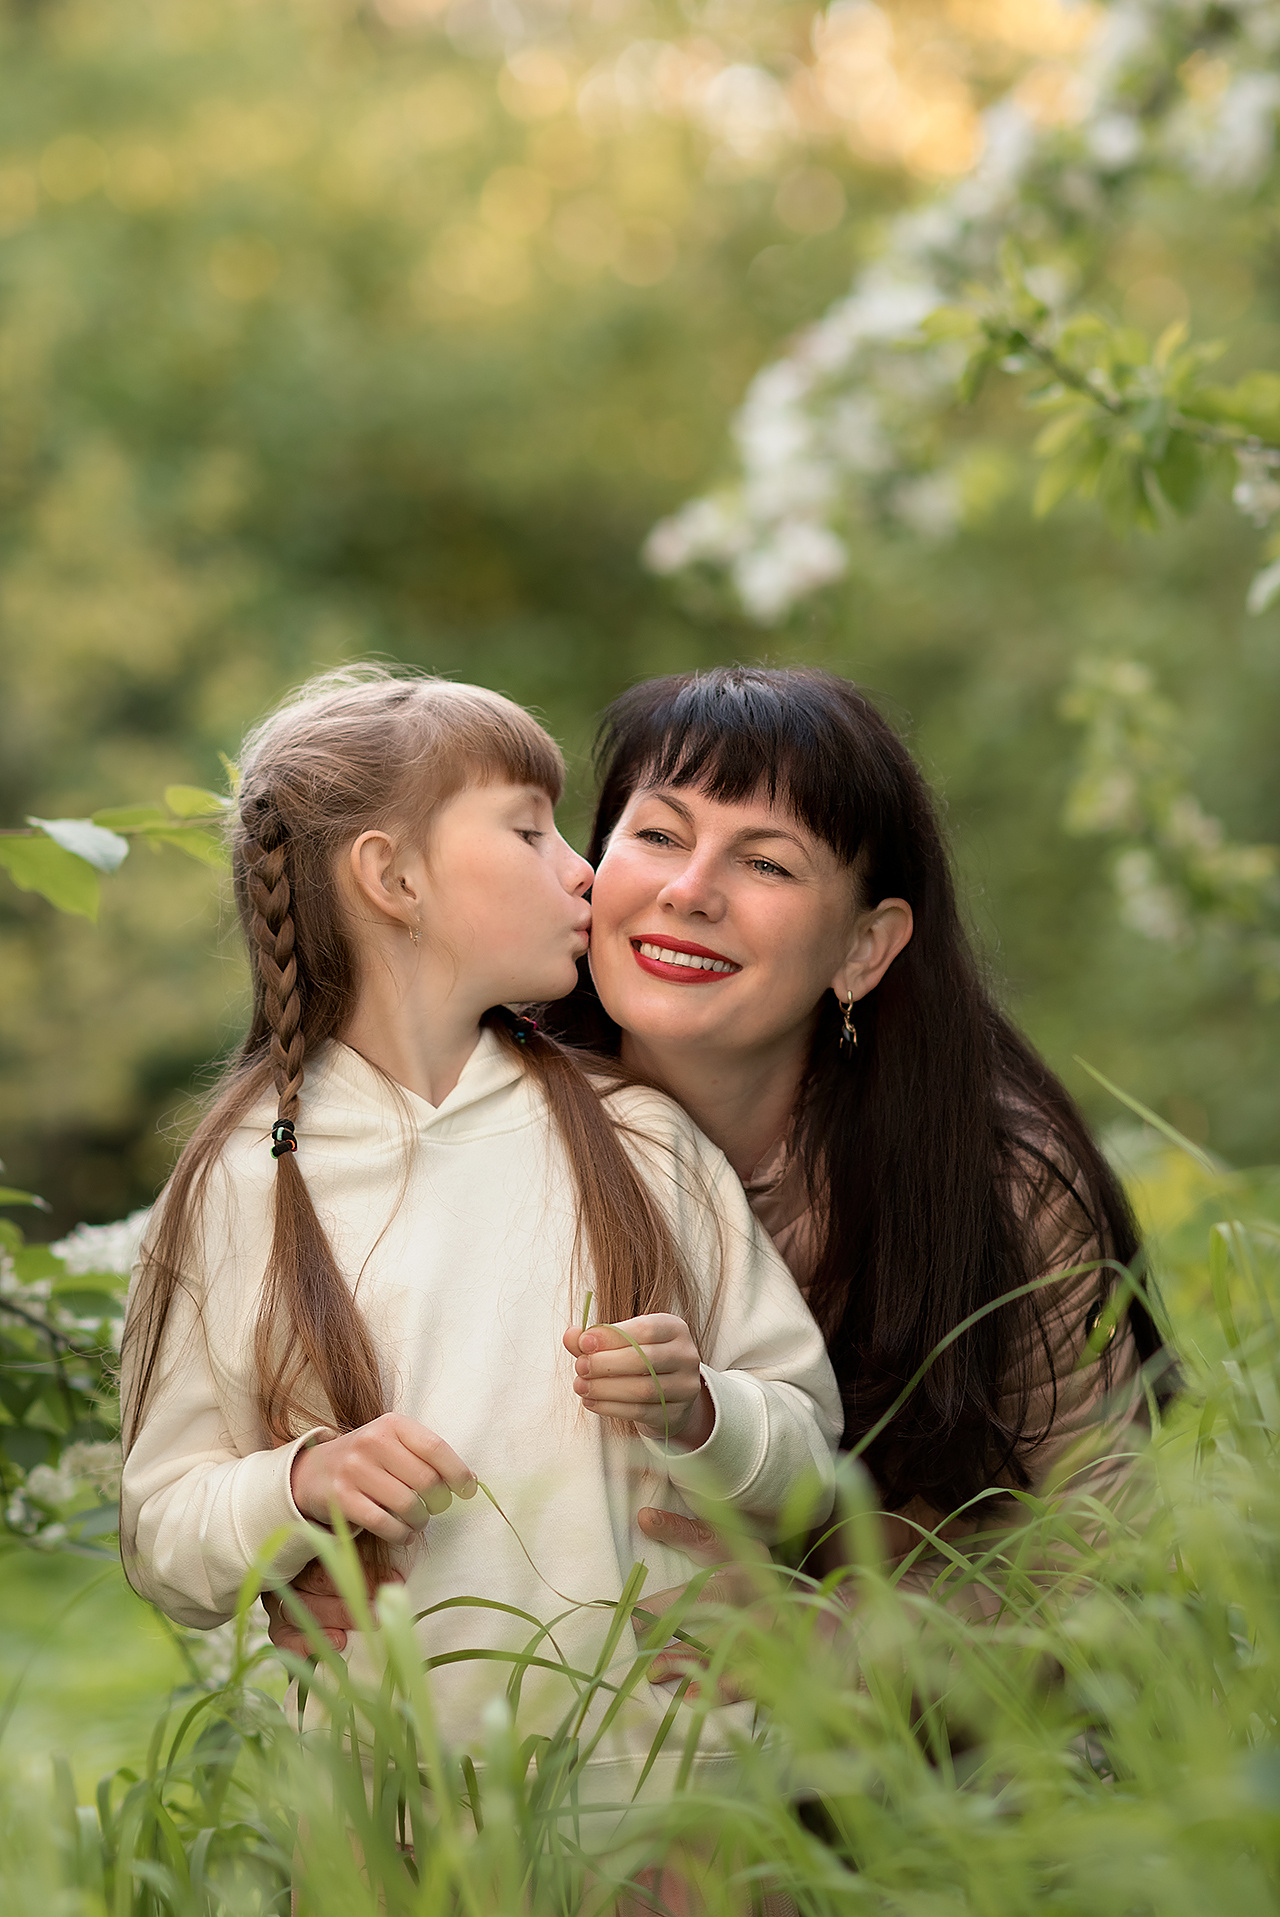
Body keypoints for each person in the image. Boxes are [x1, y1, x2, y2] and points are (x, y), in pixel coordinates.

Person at [267, 664, 1169, 1658]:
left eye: (767, 864)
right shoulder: (451, 1117)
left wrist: (843, 1644)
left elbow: (1108, 1557)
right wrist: (303, 1547)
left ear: (863, 950)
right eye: (657, 837)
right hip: (551, 1748)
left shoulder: (991, 1182)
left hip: (935, 1764)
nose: (689, 892)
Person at [119, 667, 841, 1822]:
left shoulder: (641, 1140)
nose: (584, 870)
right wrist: (301, 1484)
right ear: (392, 877)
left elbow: (812, 1460)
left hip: (668, 1811)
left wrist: (700, 1410)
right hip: (385, 1825)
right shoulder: (240, 1182)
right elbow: (165, 1539)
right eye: (527, 830)